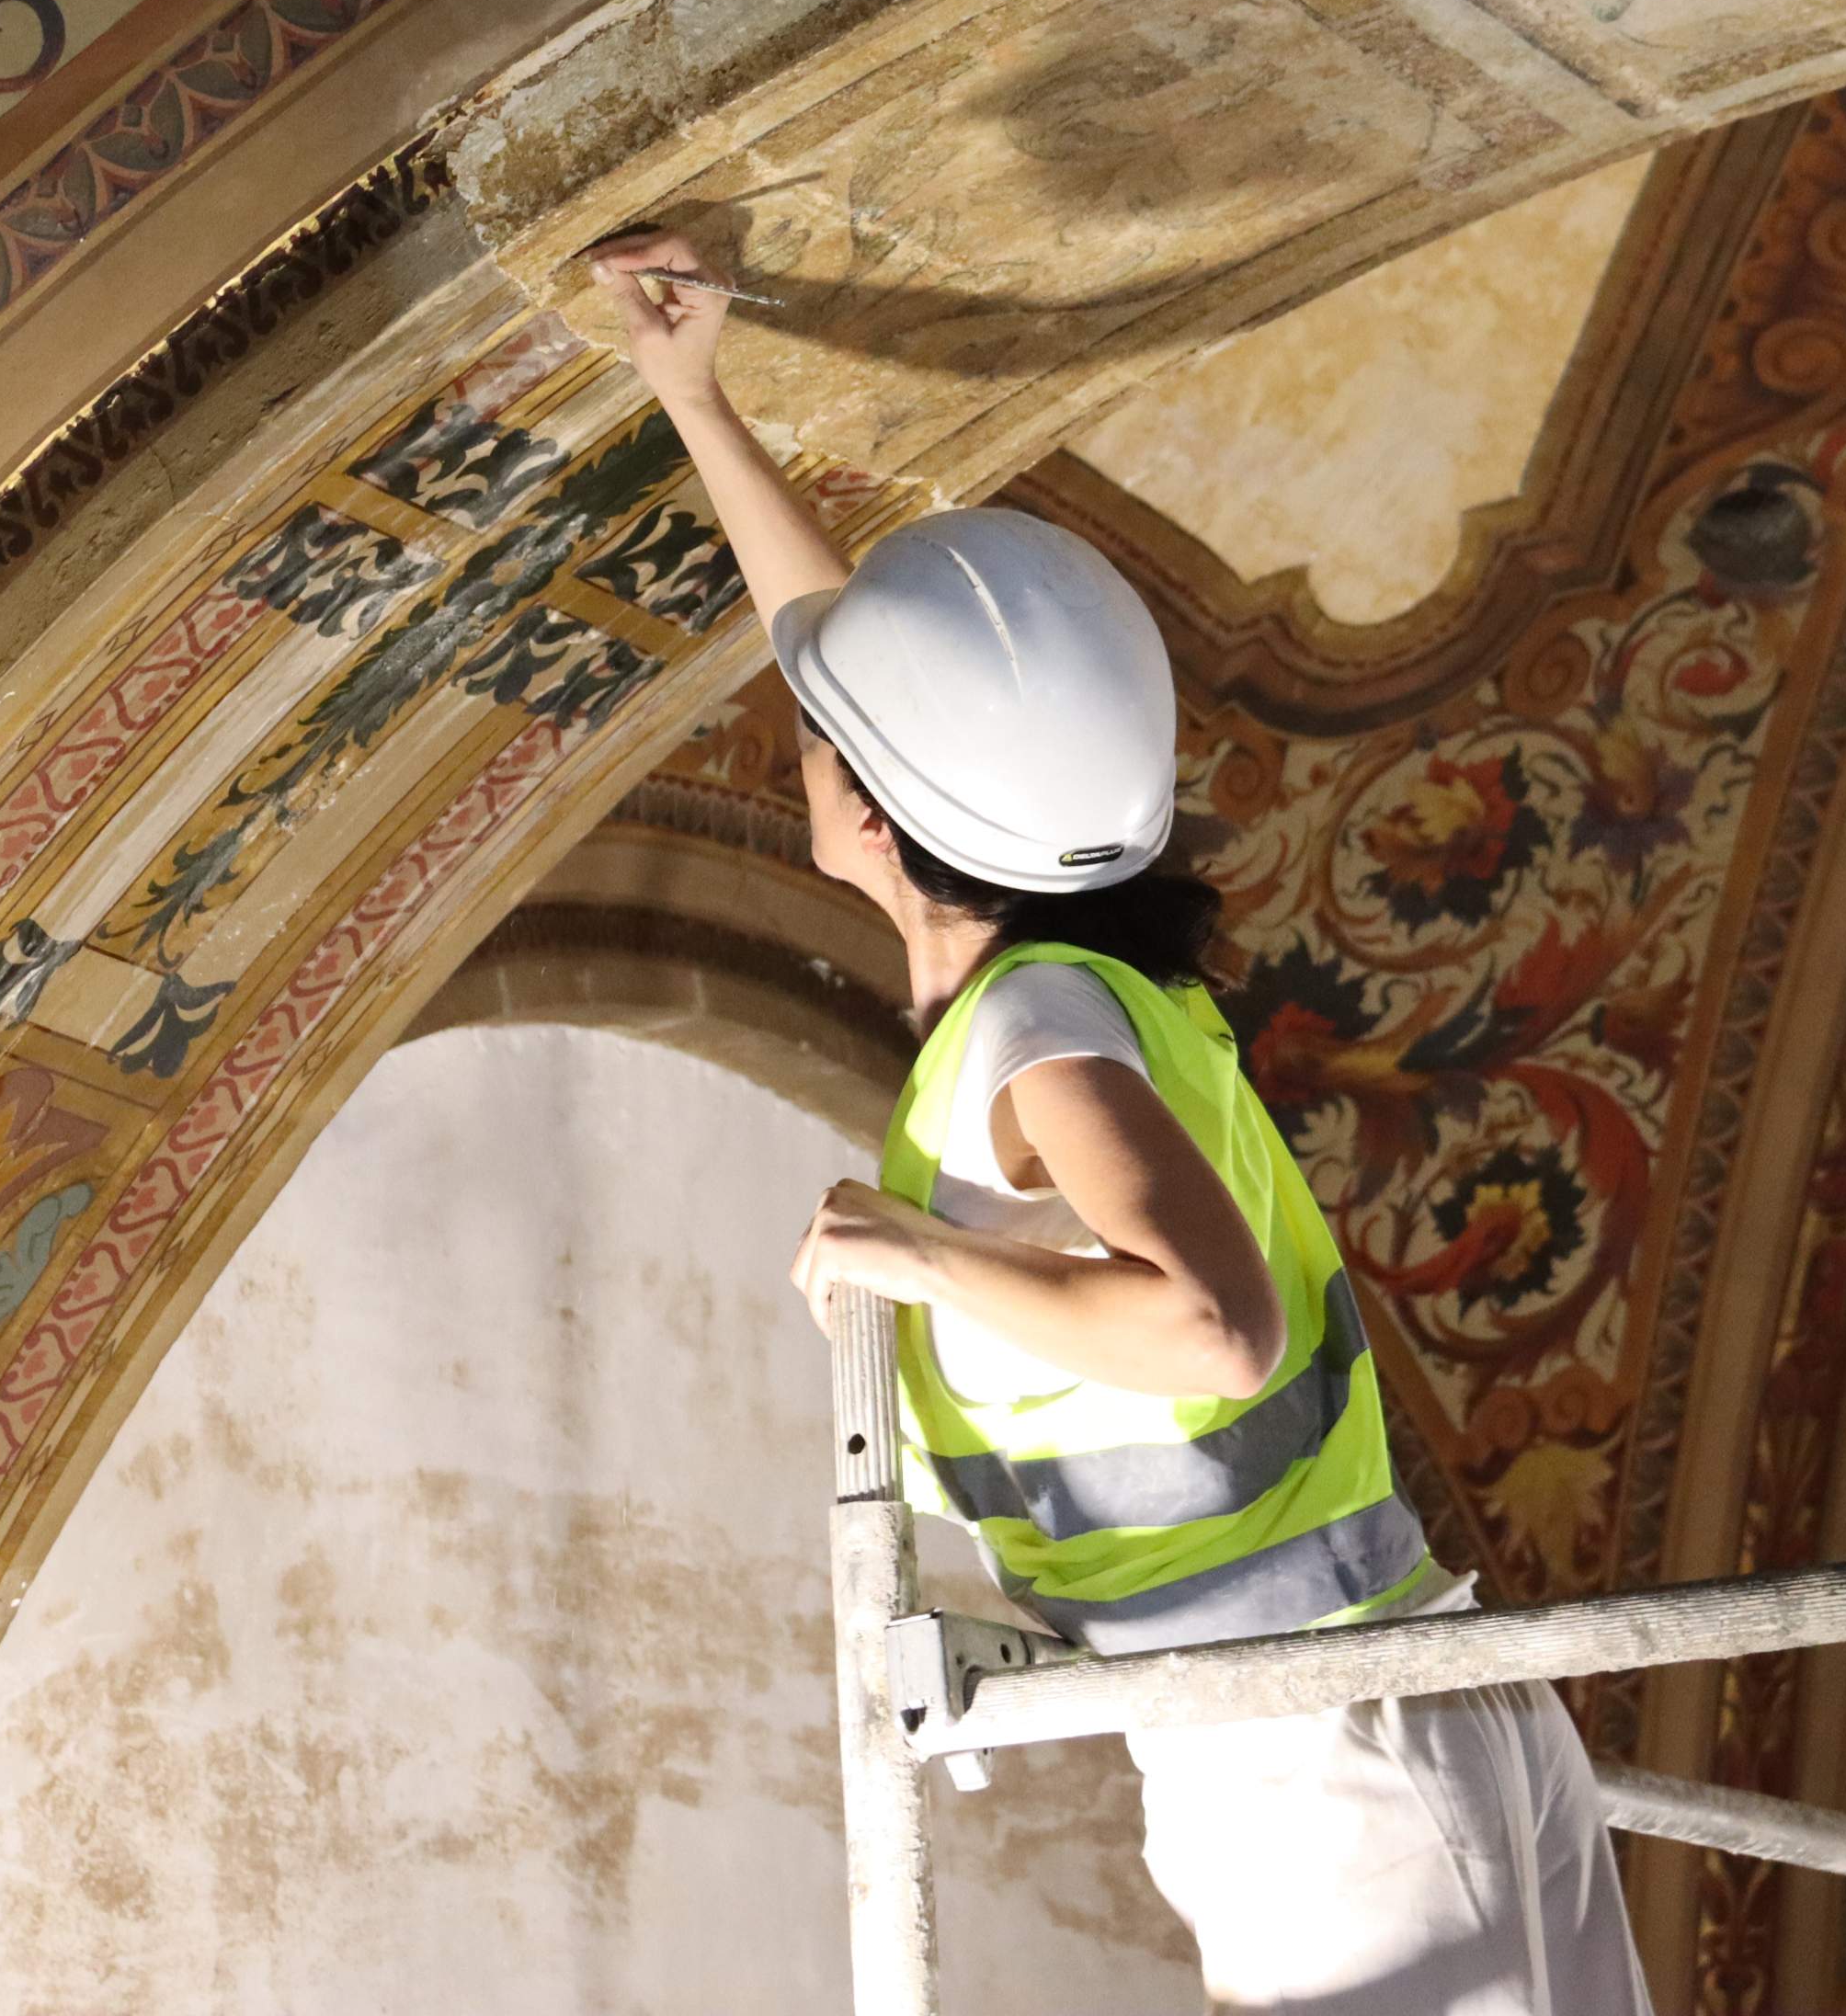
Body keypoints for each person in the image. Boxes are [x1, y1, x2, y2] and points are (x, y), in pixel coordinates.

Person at [587, 231, 1657, 2016]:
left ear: (880, 815)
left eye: (834, 730)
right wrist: (698, 399)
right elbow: (841, 657)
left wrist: (917, 1251)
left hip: (1317, 1759)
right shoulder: (1068, 992)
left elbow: (1210, 1322)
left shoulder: (1033, 1035)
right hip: (1368, 1708)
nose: (811, 731)